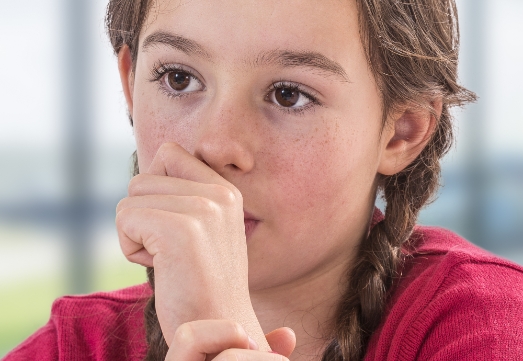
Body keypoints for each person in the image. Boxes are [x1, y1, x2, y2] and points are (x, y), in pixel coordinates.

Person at [4, 0, 523, 360]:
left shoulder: (488, 324)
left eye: (289, 94)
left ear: (401, 131)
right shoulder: (72, 347)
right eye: (178, 78)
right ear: (131, 87)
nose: (215, 145)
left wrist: (222, 336)